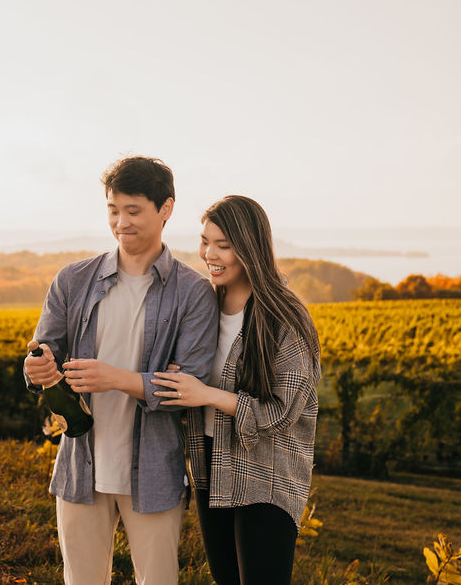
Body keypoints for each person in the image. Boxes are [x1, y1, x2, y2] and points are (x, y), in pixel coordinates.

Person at [23, 156, 218, 585]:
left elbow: (190, 386)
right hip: (80, 468)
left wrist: (116, 379)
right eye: (113, 210)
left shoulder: (194, 293)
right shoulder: (72, 280)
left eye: (133, 211)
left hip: (153, 471)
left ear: (166, 209)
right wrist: (36, 366)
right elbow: (45, 348)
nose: (121, 222)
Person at [152, 195, 321, 585]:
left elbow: (281, 412)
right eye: (205, 241)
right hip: (211, 462)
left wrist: (206, 395)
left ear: (250, 247)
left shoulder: (284, 316)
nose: (210, 254)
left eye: (223, 245)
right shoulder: (203, 306)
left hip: (267, 472)